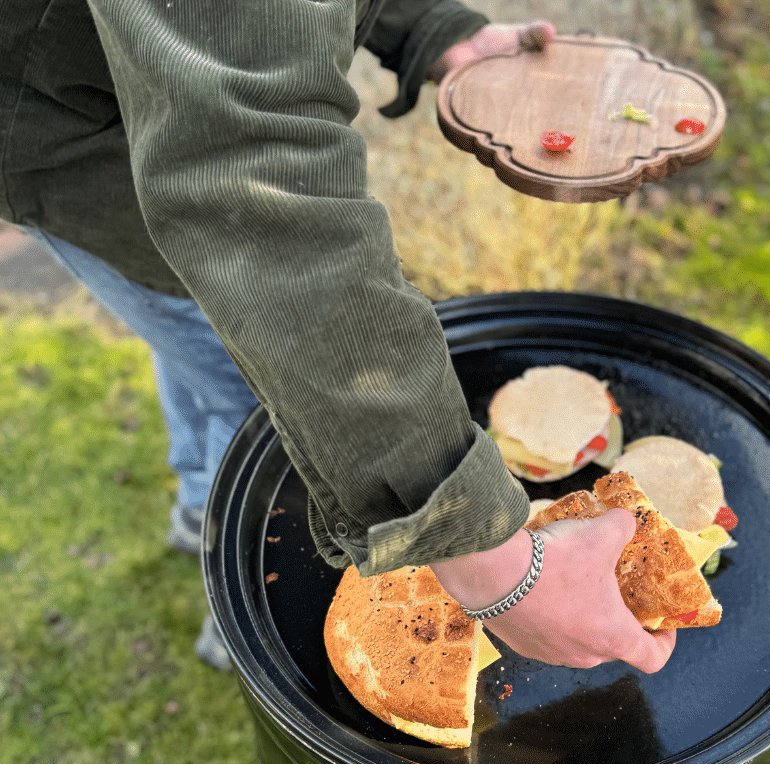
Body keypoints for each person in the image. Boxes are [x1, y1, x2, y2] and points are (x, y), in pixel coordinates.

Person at [1, 0, 676, 676]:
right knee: (261, 401)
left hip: (109, 104)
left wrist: (424, 24)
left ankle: (197, 515)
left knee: (199, 349)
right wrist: (494, 566)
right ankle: (235, 604)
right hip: (91, 144)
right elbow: (258, 193)